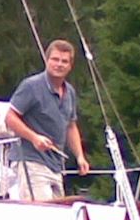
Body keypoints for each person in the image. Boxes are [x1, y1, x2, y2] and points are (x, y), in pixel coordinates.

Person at [5, 39, 90, 200]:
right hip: (31, 161)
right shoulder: (31, 86)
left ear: (70, 66)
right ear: (47, 60)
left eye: (64, 61)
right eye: (55, 59)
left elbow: (71, 126)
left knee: (58, 215)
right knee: (42, 214)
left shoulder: (69, 92)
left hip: (56, 166)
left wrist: (79, 156)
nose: (59, 64)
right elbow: (10, 117)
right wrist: (34, 137)